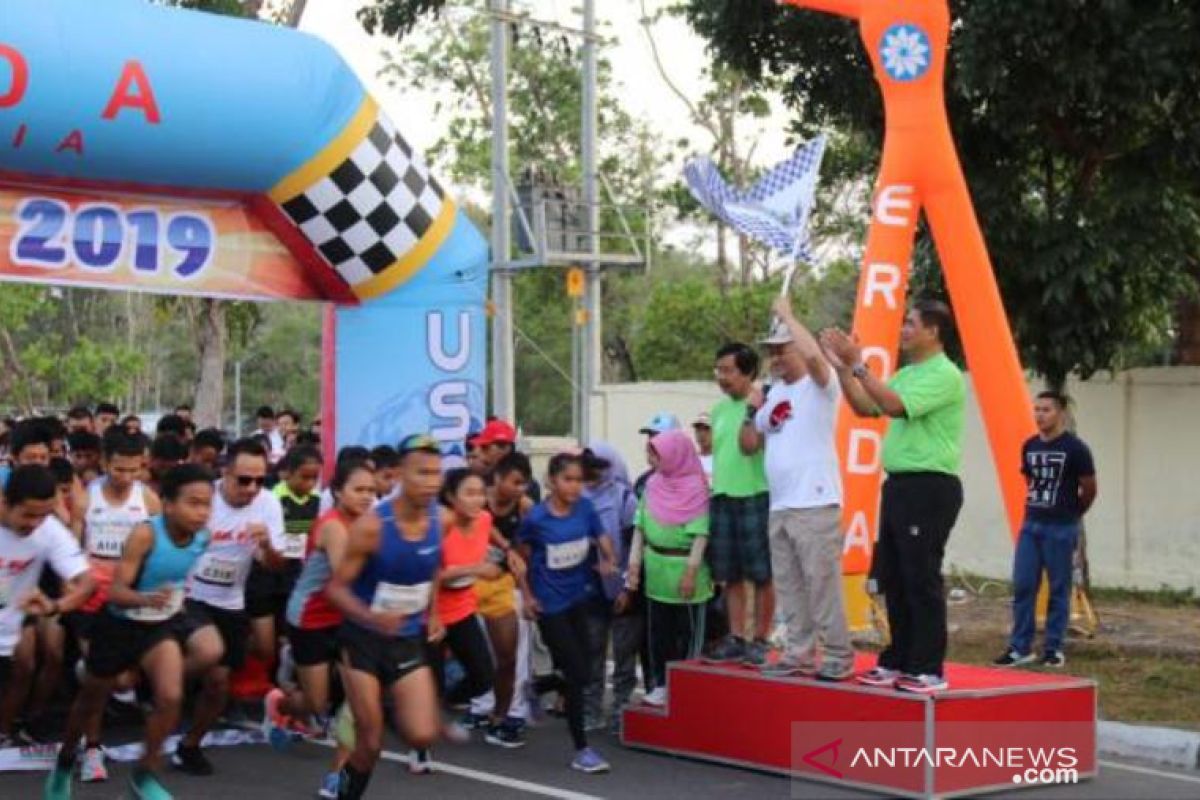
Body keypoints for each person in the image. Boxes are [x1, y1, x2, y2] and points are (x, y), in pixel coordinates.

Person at [821, 299, 966, 693]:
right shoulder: (908, 372)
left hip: (930, 486)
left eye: (911, 323)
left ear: (933, 331)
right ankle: (898, 658)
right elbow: (867, 407)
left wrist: (859, 364)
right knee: (895, 576)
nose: (904, 329)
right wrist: (842, 369)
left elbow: (895, 405)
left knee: (921, 577)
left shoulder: (945, 374)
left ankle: (929, 668)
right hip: (900, 485)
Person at [46, 464, 214, 800]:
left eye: (207, 504)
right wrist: (145, 597)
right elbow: (116, 592)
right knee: (91, 700)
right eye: (193, 503)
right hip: (118, 624)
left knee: (170, 697)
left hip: (159, 626)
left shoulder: (203, 537)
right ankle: (64, 763)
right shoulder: (145, 534)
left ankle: (144, 775)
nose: (201, 512)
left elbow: (178, 578)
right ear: (167, 504)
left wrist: (171, 602)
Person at [325, 433, 445, 799]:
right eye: (421, 473)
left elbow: (434, 564)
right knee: (371, 742)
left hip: (406, 637)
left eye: (436, 473)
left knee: (423, 733)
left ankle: (383, 703)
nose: (430, 482)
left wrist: (435, 611)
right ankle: (345, 791)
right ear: (399, 476)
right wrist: (373, 617)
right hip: (362, 639)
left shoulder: (443, 520)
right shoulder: (373, 527)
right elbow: (335, 588)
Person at [750, 298, 853, 681]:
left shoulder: (819, 386)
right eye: (771, 352)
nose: (775, 358)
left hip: (814, 500)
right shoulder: (775, 392)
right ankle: (798, 651)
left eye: (782, 349)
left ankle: (838, 656)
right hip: (780, 504)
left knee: (821, 583)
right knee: (789, 584)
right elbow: (755, 433)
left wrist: (790, 316)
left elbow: (814, 358)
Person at [172, 438, 286, 775]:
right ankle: (156, 682)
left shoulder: (267, 505)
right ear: (225, 473)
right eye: (243, 480)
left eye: (259, 480)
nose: (252, 488)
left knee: (220, 683)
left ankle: (189, 746)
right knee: (209, 651)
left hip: (231, 600)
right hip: (189, 594)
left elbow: (274, 564)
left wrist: (266, 544)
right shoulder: (202, 499)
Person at [267, 458, 376, 800]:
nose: (366, 497)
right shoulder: (332, 526)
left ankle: (336, 776)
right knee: (317, 703)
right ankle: (280, 706)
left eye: (372, 491)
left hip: (349, 620)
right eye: (358, 490)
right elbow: (350, 574)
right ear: (338, 492)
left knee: (356, 706)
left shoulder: (372, 523)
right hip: (311, 617)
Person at [63, 433, 161, 782]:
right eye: (118, 469)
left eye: (133, 470)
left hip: (129, 595)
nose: (125, 476)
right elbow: (73, 547)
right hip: (92, 595)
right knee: (100, 681)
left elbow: (157, 550)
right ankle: (92, 749)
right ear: (105, 464)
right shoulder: (86, 498)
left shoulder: (148, 500)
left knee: (122, 680)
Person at [517, 452, 617, 774]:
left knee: (584, 669)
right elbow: (520, 559)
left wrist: (608, 559)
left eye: (579, 480)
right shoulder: (535, 519)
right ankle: (582, 749)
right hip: (550, 605)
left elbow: (603, 540)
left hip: (579, 597)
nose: (575, 487)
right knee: (577, 674)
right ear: (551, 481)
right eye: (568, 480)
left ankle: (537, 687)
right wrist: (528, 596)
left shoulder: (586, 508)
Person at [995, 392, 1097, 669]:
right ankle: (1020, 647)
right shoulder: (1029, 446)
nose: (1040, 415)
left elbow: (1089, 488)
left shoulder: (1076, 449)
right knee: (1024, 585)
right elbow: (1030, 479)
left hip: (1061, 526)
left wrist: (1073, 512)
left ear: (1060, 413)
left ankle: (1053, 648)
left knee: (1059, 589)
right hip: (1031, 524)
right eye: (1036, 409)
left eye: (1046, 410)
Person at [0, 466, 94, 750]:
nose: (35, 523)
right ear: (4, 502)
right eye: (28, 514)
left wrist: (55, 605)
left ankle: (4, 733)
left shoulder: (49, 530)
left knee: (23, 668)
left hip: (11, 622)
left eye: (43, 514)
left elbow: (86, 584)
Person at [626, 430, 712, 707]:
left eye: (657, 453)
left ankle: (688, 689)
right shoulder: (652, 485)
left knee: (688, 635)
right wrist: (634, 565)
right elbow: (639, 526)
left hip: (687, 574)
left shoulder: (698, 488)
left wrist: (690, 572)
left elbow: (701, 534)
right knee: (659, 635)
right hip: (657, 573)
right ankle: (661, 685)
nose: (653, 459)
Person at [423, 469, 502, 758]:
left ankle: (440, 708)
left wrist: (506, 552)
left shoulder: (484, 520)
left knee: (483, 675)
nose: (477, 500)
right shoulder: (440, 525)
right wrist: (475, 569)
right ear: (450, 497)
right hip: (429, 611)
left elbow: (489, 541)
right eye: (469, 493)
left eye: (481, 493)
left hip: (462, 607)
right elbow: (430, 573)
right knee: (431, 681)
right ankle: (421, 748)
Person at [705, 343, 775, 666]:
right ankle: (736, 636)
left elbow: (753, 447)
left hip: (755, 495)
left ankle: (761, 638)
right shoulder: (718, 411)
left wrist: (754, 408)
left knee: (762, 574)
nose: (722, 377)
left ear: (749, 373)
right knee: (730, 574)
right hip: (723, 496)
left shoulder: (764, 404)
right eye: (719, 370)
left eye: (729, 370)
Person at [468, 451, 534, 748]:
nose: (520, 488)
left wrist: (522, 579)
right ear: (497, 479)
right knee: (481, 650)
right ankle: (483, 705)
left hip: (509, 584)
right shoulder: (478, 502)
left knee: (513, 653)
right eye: (515, 482)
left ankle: (513, 713)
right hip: (471, 583)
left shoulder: (525, 507)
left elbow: (526, 550)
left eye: (524, 483)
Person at [251, 445, 322, 682]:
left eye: (314, 477)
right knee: (265, 644)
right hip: (264, 573)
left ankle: (278, 684)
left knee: (287, 635)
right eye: (304, 477)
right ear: (287, 473)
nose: (310, 483)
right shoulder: (273, 498)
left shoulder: (317, 500)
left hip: (294, 573)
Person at [580, 444, 639, 731]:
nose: (591, 473)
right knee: (592, 651)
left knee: (624, 653)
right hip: (590, 587)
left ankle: (621, 710)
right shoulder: (577, 497)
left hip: (623, 585)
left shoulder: (625, 498)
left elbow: (635, 546)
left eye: (597, 466)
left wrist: (628, 586)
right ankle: (591, 709)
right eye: (586, 466)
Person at [634, 413, 682, 498]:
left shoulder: (687, 482)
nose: (651, 442)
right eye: (650, 436)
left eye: (657, 437)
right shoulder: (642, 482)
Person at [692, 413, 714, 480]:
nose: (702, 434)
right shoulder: (690, 460)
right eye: (698, 430)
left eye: (706, 429)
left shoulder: (721, 460)